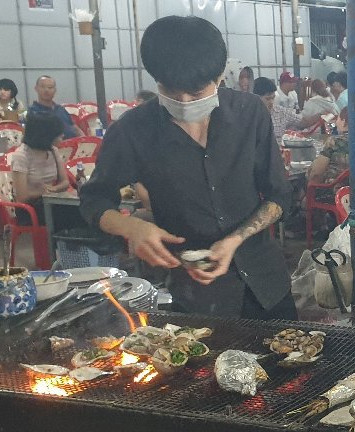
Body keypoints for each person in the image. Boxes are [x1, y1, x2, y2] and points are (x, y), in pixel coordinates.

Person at [80, 15, 296, 319]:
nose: (183, 102)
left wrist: (235, 240)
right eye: (170, 91)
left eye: (195, 94)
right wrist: (131, 226)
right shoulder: (134, 131)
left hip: (267, 284)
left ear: (220, 75)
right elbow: (93, 200)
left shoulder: (250, 114)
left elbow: (280, 195)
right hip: (196, 294)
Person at [9, 113, 75, 229]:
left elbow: (65, 182)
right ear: (45, 136)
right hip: (30, 209)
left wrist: (53, 189)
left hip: (50, 201)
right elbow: (22, 197)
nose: (62, 136)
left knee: (83, 209)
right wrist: (45, 192)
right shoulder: (21, 156)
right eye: (58, 134)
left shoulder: (53, 151)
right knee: (71, 215)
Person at [254, 77, 320, 140]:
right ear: (256, 98)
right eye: (268, 99)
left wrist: (321, 115)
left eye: (273, 98)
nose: (271, 102)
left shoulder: (281, 112)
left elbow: (304, 122)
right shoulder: (248, 116)